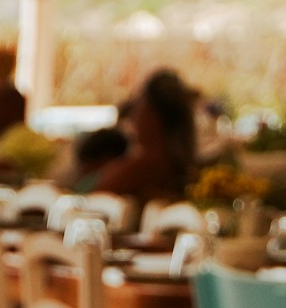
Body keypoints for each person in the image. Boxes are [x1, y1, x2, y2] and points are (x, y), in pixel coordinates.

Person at [76, 69, 200, 209]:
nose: (134, 119)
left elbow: (87, 202)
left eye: (138, 109)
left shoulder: (147, 166)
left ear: (153, 118)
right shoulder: (176, 165)